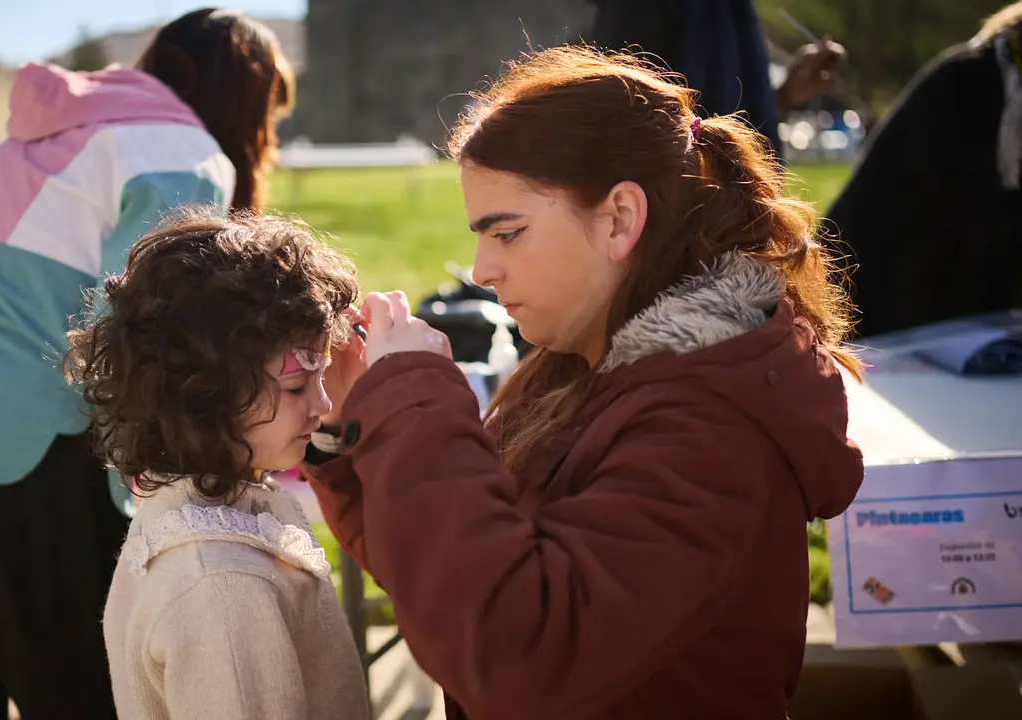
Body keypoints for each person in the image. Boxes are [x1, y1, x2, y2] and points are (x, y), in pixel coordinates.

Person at [303, 48, 865, 719]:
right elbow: (457, 582)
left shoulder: (708, 427)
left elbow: (516, 650)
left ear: (619, 218)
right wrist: (347, 434)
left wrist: (412, 402)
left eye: (508, 233)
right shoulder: (581, 363)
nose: (481, 270)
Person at [0, 9, 294, 719]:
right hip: (7, 469)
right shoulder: (180, 152)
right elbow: (138, 341)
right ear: (244, 98)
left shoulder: (38, 136)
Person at [66, 211, 369, 720]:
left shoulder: (198, 515)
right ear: (205, 394)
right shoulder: (222, 586)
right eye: (297, 386)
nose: (321, 405)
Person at [826, 2, 1022, 338]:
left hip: (939, 298)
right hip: (881, 294)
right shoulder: (969, 80)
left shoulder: (1000, 84)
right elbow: (979, 219)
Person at [588, 0, 845, 157]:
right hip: (693, 213)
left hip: (736, 210)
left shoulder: (733, 8)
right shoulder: (640, 8)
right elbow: (624, 114)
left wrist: (782, 95)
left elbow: (731, 114)